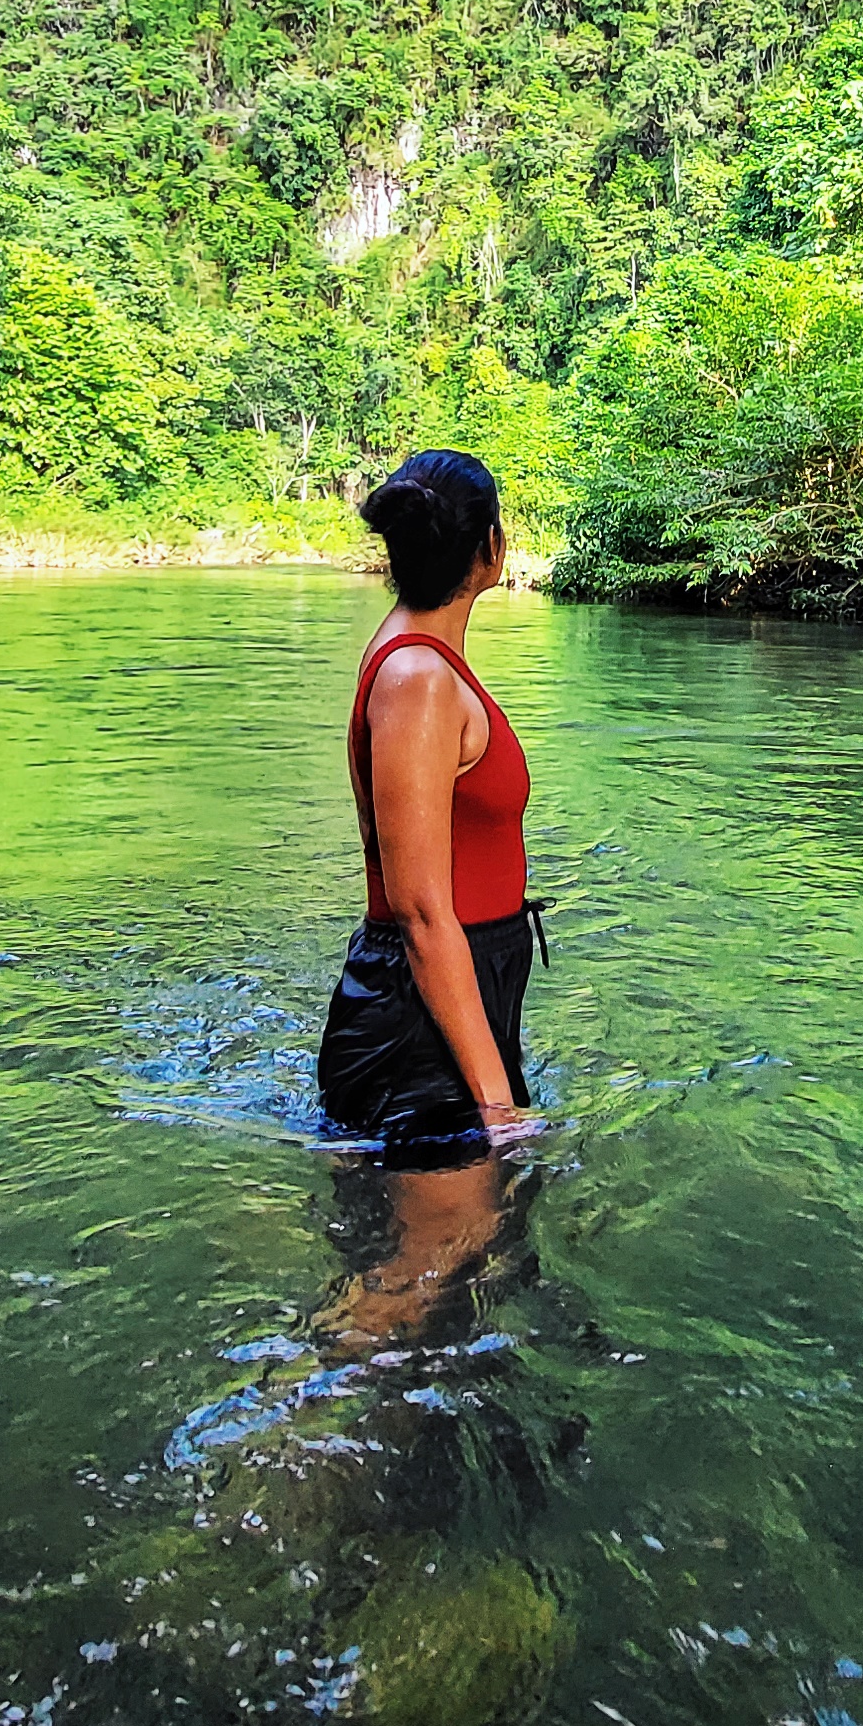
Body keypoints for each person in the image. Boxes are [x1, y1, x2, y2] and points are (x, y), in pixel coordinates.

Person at [315, 451, 543, 1222]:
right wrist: (498, 1106)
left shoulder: (420, 655)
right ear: (492, 549)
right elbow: (419, 912)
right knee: (415, 1286)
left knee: (451, 1273)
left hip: (444, 1005)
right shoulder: (418, 678)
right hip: (422, 1020)